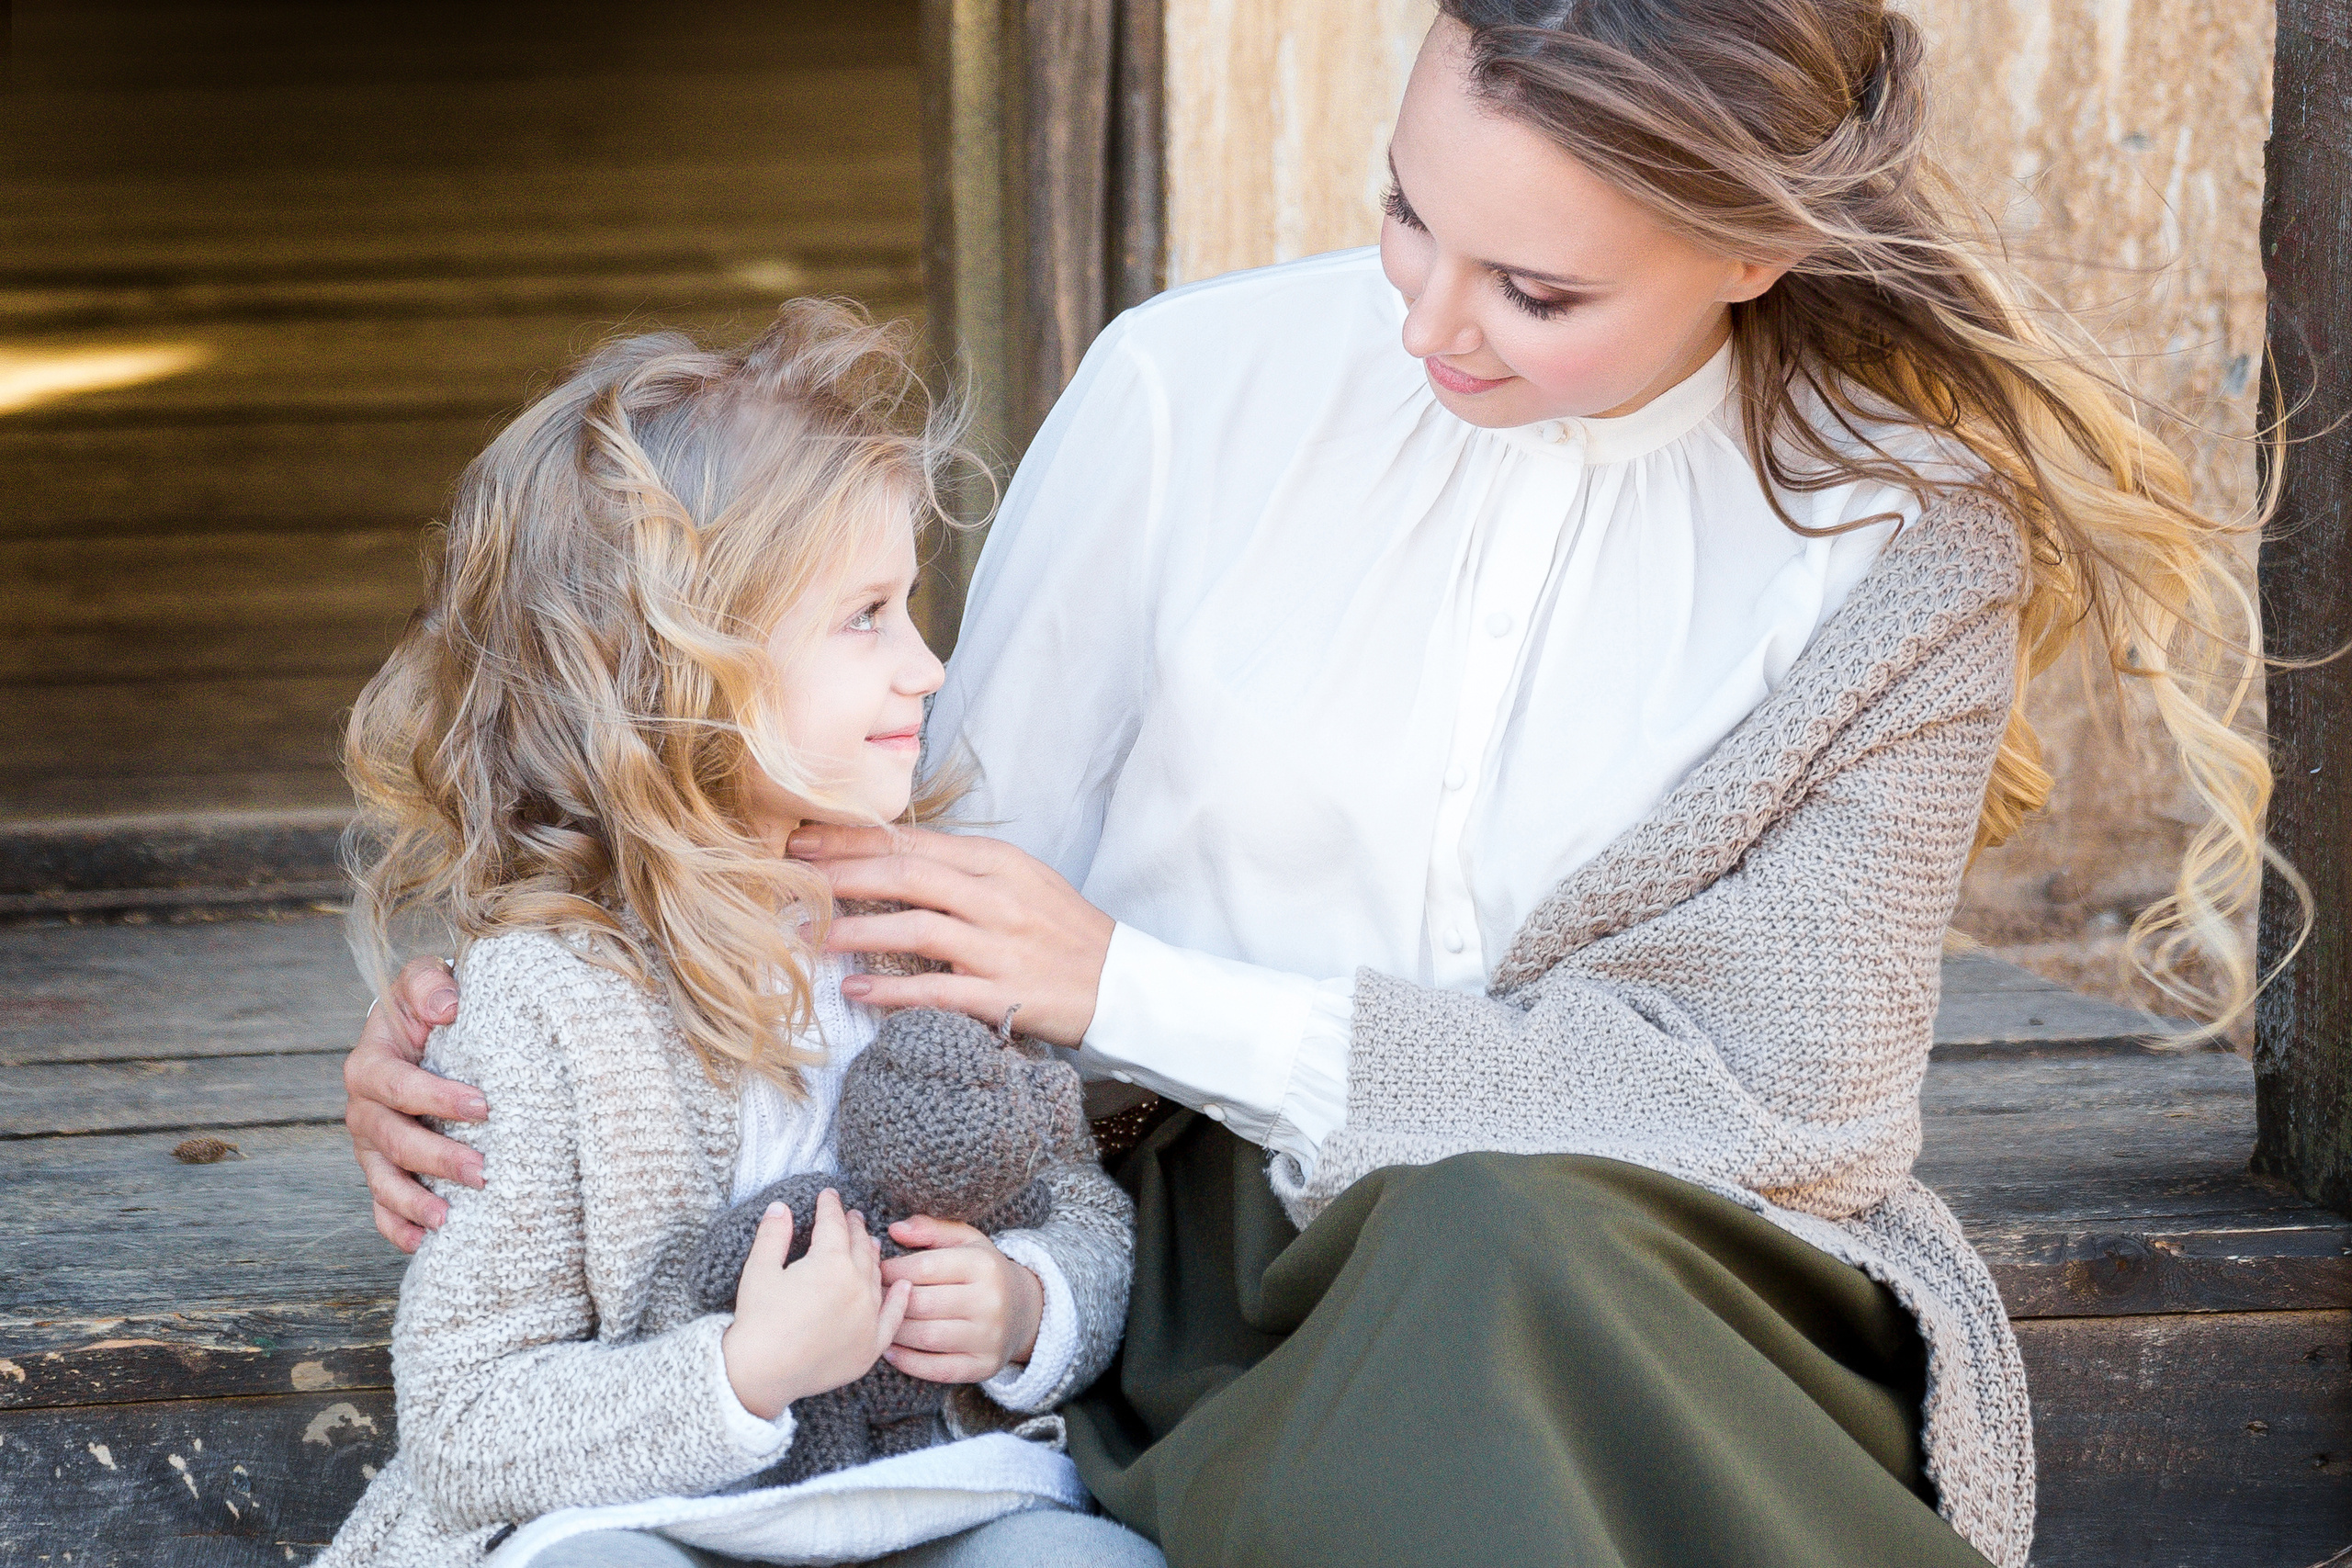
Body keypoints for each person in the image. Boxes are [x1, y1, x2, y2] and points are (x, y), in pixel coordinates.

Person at [344, 5, 2281, 1566]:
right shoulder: (1191, 389)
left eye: (1534, 290)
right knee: (1451, 1269)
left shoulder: (1898, 542)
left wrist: (1131, 985)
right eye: (1403, 215)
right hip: (1210, 1257)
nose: (1429, 320)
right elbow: (836, 838)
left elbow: (1782, 1100)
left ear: (1754, 247)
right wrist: (518, 1025)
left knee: (1491, 1230)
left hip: (1695, 1285)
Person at [318, 303, 1154, 1568]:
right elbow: (466, 1423)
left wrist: (1030, 1303)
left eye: (908, 607)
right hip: (643, 1512)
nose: (927, 667)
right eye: (866, 615)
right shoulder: (551, 1003)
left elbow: (1080, 1211)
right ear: (676, 669)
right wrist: (740, 1372)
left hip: (932, 1488)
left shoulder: (934, 928)